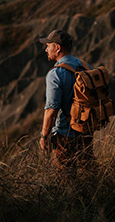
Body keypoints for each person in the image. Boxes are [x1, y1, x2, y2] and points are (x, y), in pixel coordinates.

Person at [39, 29, 94, 179]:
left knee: (65, 182)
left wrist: (44, 136)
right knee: (88, 179)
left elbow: (51, 110)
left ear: (57, 48)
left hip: (65, 136)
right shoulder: (85, 66)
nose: (46, 49)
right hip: (86, 133)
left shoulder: (55, 74)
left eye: (48, 45)